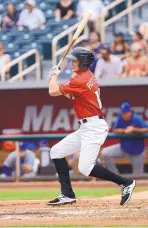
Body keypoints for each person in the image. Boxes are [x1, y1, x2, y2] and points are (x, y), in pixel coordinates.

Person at [47, 47, 135, 206]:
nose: (72, 63)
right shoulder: (85, 76)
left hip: (93, 127)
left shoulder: (79, 79)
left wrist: (53, 75)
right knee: (56, 152)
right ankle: (67, 194)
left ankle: (126, 182)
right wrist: (56, 79)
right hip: (86, 127)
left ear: (83, 62)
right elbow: (68, 93)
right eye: (72, 60)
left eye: (75, 60)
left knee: (85, 168)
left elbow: (53, 91)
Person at [102, 101, 148, 175]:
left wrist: (134, 129)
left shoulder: (137, 118)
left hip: (137, 153)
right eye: (123, 113)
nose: (124, 115)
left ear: (130, 112)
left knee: (138, 176)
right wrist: (124, 130)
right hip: (123, 149)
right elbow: (115, 130)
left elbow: (146, 129)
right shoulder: (120, 118)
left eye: (125, 113)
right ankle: (115, 175)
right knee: (105, 153)